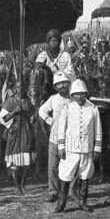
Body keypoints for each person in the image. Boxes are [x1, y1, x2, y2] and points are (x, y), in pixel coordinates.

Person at [55, 79, 102, 213]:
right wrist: (61, 147)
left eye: (82, 94)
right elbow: (61, 129)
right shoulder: (68, 108)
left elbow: (98, 129)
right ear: (73, 95)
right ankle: (61, 203)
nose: (79, 97)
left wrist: (97, 148)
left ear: (85, 94)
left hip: (86, 148)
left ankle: (82, 202)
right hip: (70, 149)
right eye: (76, 94)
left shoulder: (93, 108)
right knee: (65, 174)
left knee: (85, 175)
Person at [39, 72, 72, 202]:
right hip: (54, 137)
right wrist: (49, 120)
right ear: (56, 86)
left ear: (68, 85)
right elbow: (42, 110)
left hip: (70, 138)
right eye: (59, 84)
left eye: (64, 83)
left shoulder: (73, 99)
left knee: (69, 165)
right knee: (53, 166)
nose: (62, 86)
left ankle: (69, 191)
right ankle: (53, 192)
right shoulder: (53, 99)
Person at [0, 81, 35, 194]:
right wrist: (14, 112)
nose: (20, 89)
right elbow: (2, 119)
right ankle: (16, 186)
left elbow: (32, 115)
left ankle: (23, 184)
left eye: (23, 87)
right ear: (15, 89)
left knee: (25, 160)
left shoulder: (28, 101)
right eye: (18, 87)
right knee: (14, 159)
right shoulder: (10, 101)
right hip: (14, 132)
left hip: (25, 131)